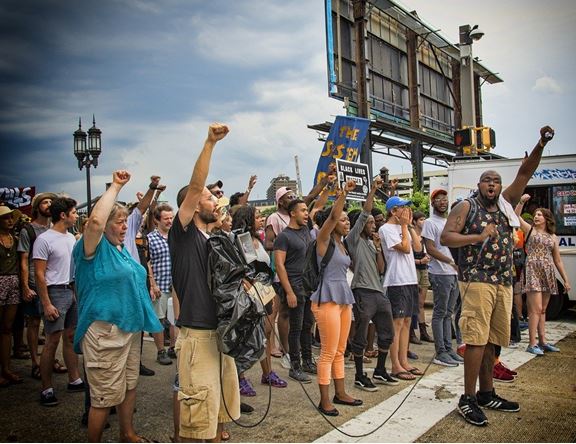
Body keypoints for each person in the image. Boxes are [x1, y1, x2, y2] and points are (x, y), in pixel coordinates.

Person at [441, 125, 554, 427]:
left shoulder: (505, 204)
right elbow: (446, 237)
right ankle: (467, 398)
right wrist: (477, 237)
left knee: (492, 340)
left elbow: (525, 173)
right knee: (476, 340)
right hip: (476, 281)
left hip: (502, 281)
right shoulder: (466, 206)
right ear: (479, 185)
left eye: (496, 181)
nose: (492, 184)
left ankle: (486, 393)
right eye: (487, 180)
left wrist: (541, 143)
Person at [73, 170, 162, 442]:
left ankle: (128, 434)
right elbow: (95, 221)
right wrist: (116, 186)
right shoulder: (92, 248)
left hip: (129, 328)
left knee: (129, 385)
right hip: (105, 332)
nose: (125, 227)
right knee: (104, 397)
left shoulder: (121, 249)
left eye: (126, 222)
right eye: (119, 222)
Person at [169, 123, 240, 442]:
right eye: (211, 198)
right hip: (197, 336)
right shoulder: (183, 234)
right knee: (196, 424)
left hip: (218, 334)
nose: (217, 203)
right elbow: (196, 185)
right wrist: (210, 143)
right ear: (195, 203)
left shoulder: (211, 239)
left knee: (215, 418)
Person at [312, 179, 362, 416]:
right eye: (343, 220)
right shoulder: (323, 240)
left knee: (340, 350)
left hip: (343, 298)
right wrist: (343, 194)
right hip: (327, 299)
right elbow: (332, 216)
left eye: (346, 219)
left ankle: (340, 393)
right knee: (328, 352)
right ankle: (324, 400)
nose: (346, 221)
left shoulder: (342, 244)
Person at [346, 178, 398, 392]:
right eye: (369, 223)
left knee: (387, 332)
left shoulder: (370, 242)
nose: (373, 225)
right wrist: (373, 191)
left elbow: (380, 269)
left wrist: (377, 248)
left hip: (378, 291)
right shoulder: (353, 239)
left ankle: (380, 370)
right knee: (360, 335)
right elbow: (365, 212)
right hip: (362, 291)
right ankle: (359, 375)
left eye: (373, 223)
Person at [33, 197, 85, 406]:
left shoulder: (71, 237)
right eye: (73, 212)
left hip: (71, 290)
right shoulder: (44, 239)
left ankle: (74, 379)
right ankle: (46, 388)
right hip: (54, 292)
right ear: (63, 215)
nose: (76, 215)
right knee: (52, 340)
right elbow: (39, 274)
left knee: (71, 337)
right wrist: (46, 303)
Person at [232, 205, 287, 397]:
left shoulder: (257, 239)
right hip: (249, 293)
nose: (261, 219)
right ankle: (240, 377)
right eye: (257, 217)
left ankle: (267, 372)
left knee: (267, 331)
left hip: (264, 290)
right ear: (247, 220)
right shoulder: (241, 240)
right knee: (245, 335)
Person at [516, 195, 570, 355]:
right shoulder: (530, 230)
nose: (536, 216)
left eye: (539, 214)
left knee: (543, 309)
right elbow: (516, 217)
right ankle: (532, 343)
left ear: (546, 218)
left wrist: (566, 280)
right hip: (533, 270)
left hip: (547, 271)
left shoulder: (553, 237)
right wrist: (521, 202)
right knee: (535, 309)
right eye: (535, 214)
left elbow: (558, 260)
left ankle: (543, 341)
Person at [379, 197, 423, 381]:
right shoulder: (386, 229)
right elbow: (405, 248)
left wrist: (409, 226)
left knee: (407, 321)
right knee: (397, 323)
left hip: (410, 278)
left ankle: (404, 361)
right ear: (393, 211)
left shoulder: (404, 227)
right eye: (403, 208)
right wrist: (404, 226)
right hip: (396, 280)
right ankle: (395, 364)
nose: (407, 211)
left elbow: (418, 248)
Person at [273, 198, 317, 382]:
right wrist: (289, 291)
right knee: (296, 327)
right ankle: (295, 366)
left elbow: (318, 204)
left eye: (307, 210)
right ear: (292, 213)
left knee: (308, 324)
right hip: (294, 285)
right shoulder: (284, 237)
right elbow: (279, 265)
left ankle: (307, 361)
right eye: (303, 210)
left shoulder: (306, 230)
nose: (306, 214)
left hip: (308, 286)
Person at [17, 192, 57, 380]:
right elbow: (24, 260)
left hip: (53, 282)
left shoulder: (56, 228)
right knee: (33, 323)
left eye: (51, 202)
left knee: (53, 325)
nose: (48, 204)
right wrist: (25, 286)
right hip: (34, 282)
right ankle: (35, 362)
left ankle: (50, 359)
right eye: (44, 202)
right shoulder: (29, 230)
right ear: (37, 207)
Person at [422, 189, 463, 367]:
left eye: (444, 198)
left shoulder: (449, 222)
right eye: (438, 199)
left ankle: (448, 349)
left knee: (449, 313)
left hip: (453, 273)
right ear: (432, 203)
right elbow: (431, 249)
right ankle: (440, 352)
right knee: (440, 313)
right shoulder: (430, 223)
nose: (442, 202)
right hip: (440, 273)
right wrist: (450, 261)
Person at [148, 203, 176, 365]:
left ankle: (173, 347)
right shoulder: (150, 238)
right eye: (166, 218)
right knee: (158, 319)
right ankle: (160, 351)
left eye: (171, 218)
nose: (169, 221)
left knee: (174, 319)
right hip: (160, 284)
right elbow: (148, 262)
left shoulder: (176, 236)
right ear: (157, 220)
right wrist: (153, 284)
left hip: (175, 286)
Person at [0, 205, 22, 387]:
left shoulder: (15, 239)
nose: (9, 220)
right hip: (0, 280)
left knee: (7, 327)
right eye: (5, 218)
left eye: (10, 217)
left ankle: (6, 368)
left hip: (13, 282)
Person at [411, 211, 434, 344]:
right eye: (421, 219)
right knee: (412, 302)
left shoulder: (425, 236)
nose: (423, 222)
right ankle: (411, 332)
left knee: (421, 303)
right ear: (414, 221)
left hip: (424, 268)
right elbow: (406, 257)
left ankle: (423, 331)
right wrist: (419, 261)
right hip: (414, 268)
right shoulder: (410, 236)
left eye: (424, 219)